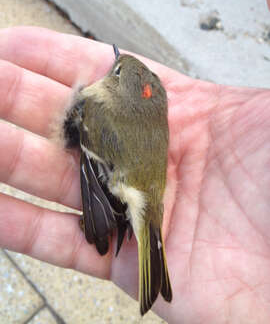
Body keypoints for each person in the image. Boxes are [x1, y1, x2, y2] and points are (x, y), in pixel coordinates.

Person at [0, 26, 270, 323]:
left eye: (115, 71)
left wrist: (98, 218)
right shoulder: (153, 114)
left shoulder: (98, 110)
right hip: (145, 181)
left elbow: (95, 176)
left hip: (129, 184)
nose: (114, 65)